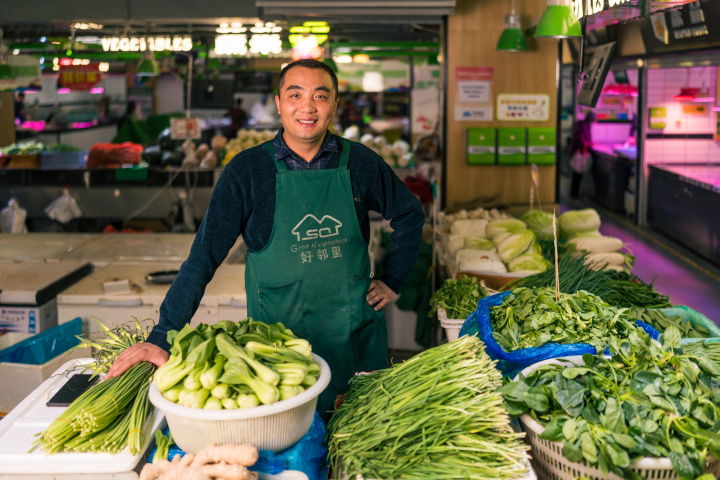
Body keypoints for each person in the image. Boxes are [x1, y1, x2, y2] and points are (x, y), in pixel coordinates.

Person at [106, 59, 424, 421]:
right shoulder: (247, 172)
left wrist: (393, 278)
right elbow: (203, 257)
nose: (307, 107)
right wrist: (163, 335)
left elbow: (410, 214)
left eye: (321, 96)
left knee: (360, 444)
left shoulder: (361, 163)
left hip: (353, 337)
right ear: (278, 103)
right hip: (277, 354)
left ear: (335, 105)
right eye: (295, 95)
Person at [568, 110, 596, 199]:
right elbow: (581, 140)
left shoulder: (582, 125)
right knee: (577, 176)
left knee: (576, 175)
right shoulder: (584, 126)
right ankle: (574, 194)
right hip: (579, 153)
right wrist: (589, 144)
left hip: (576, 152)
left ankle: (574, 193)